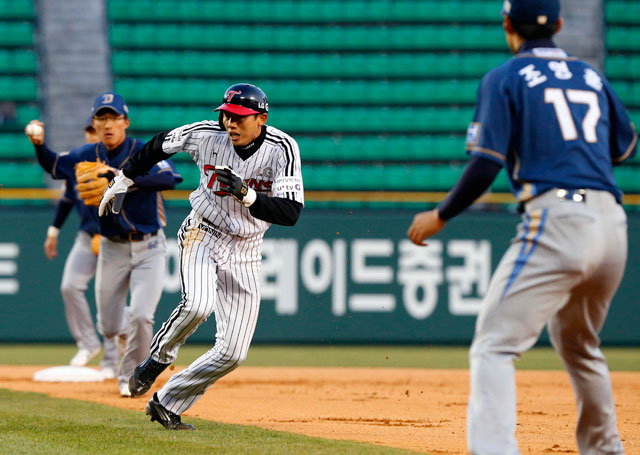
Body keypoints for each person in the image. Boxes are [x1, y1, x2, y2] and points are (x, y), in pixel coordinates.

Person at [407, 1, 637, 454]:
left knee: (493, 345)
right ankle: (606, 449)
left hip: (558, 218)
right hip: (613, 223)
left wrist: (441, 214)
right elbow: (624, 146)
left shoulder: (505, 77)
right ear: (559, 25)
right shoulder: (591, 75)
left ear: (508, 25)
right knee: (580, 344)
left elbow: (485, 163)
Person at [100, 83, 304, 430]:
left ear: (262, 118)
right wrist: (124, 178)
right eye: (227, 115)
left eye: (240, 117)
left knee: (233, 354)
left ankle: (167, 402)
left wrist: (247, 195)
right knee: (197, 304)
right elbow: (158, 145)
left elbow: (290, 212)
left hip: (247, 249)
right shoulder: (206, 134)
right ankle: (157, 359)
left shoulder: (282, 148)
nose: (231, 123)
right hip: (204, 231)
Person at [25, 92, 182, 397]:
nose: (108, 124)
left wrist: (122, 178)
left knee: (141, 315)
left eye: (114, 118)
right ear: (94, 123)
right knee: (109, 326)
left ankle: (131, 376)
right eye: (102, 118)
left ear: (126, 122)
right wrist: (39, 144)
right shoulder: (86, 154)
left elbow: (170, 178)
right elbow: (55, 165)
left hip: (149, 246)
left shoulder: (142, 151)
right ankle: (121, 333)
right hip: (111, 248)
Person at [42, 119, 121, 377]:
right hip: (87, 237)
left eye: (94, 131)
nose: (92, 135)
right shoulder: (78, 165)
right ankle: (88, 342)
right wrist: (53, 231)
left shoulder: (116, 163)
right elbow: (67, 199)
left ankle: (112, 360)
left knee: (108, 300)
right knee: (70, 286)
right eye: (88, 131)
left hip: (116, 240)